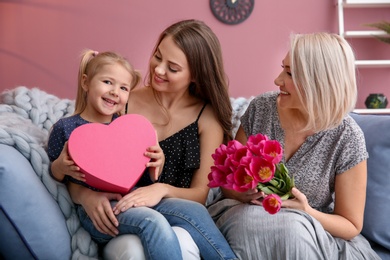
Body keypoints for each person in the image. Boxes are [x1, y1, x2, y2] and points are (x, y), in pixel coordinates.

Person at [52, 20, 238, 260]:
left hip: (164, 208)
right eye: (158, 56)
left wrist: (159, 187)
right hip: (120, 213)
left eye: (172, 67)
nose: (158, 70)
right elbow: (83, 163)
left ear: (195, 75)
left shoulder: (207, 117)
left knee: (188, 219)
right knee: (139, 244)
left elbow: (200, 195)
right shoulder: (121, 100)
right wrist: (85, 195)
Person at [208, 32, 381, 259]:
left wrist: (306, 211)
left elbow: (350, 224)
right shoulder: (261, 109)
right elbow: (227, 183)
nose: (277, 80)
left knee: (291, 231)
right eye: (283, 68)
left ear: (319, 82)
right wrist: (244, 194)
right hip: (246, 218)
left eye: (289, 73)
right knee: (252, 223)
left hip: (308, 232)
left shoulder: (347, 137)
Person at [47, 49, 174, 258]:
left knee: (193, 211)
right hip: (99, 212)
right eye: (107, 82)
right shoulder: (66, 128)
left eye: (124, 88)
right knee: (154, 223)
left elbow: (143, 178)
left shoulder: (130, 130)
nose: (115, 91)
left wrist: (157, 163)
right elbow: (53, 178)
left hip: (132, 200)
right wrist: (60, 166)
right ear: (86, 83)